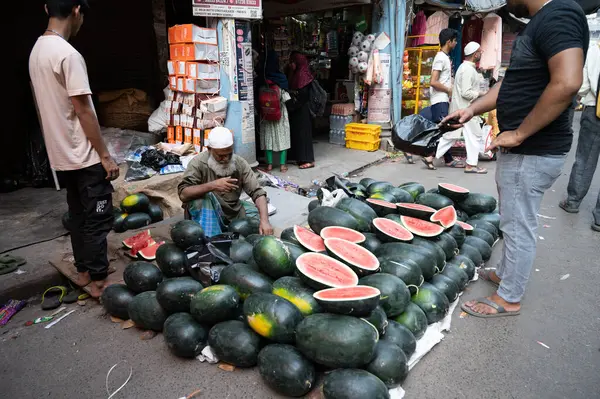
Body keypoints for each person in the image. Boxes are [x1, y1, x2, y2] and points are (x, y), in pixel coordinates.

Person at [443, 0, 588, 318]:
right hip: (523, 151)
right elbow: (511, 86)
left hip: (534, 150)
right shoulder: (535, 23)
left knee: (518, 225)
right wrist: (471, 109)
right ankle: (505, 274)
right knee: (511, 221)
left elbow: (567, 82)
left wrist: (521, 133)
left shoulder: (560, 14)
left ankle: (509, 298)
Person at [29, 0, 119, 298]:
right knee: (98, 218)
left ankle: (83, 272)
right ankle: (98, 281)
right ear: (77, 10)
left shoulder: (37, 51)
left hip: (62, 155)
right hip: (84, 154)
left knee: (79, 216)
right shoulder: (68, 55)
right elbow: (84, 110)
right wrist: (105, 156)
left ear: (46, 9)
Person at [178, 127, 274, 237]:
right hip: (208, 209)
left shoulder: (239, 163)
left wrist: (265, 221)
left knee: (258, 215)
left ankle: (227, 227)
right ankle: (212, 239)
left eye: (229, 153)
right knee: (201, 201)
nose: (226, 159)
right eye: (221, 156)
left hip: (232, 210)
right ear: (209, 149)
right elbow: (183, 194)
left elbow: (257, 192)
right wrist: (213, 186)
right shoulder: (197, 163)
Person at [559, 40, 600, 231]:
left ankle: (573, 201)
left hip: (594, 111)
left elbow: (582, 87)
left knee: (585, 159)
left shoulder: (595, 49)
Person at [435, 42, 488, 174]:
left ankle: (429, 154)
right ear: (475, 54)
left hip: (462, 108)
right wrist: (482, 94)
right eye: (480, 52)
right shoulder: (468, 69)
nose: (481, 54)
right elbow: (466, 92)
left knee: (450, 135)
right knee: (474, 136)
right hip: (466, 109)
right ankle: (471, 165)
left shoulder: (465, 68)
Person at [422, 28, 461, 170]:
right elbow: (433, 81)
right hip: (440, 99)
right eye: (455, 41)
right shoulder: (440, 57)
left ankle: (447, 159)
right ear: (448, 41)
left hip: (441, 99)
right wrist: (449, 90)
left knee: (439, 129)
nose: (456, 43)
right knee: (443, 130)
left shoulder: (444, 57)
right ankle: (429, 155)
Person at [259, 50, 291, 173]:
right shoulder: (280, 79)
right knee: (283, 138)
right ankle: (282, 165)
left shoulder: (262, 79)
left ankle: (269, 165)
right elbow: (286, 98)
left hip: (266, 114)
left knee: (268, 139)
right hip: (280, 114)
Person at [287, 52, 315, 170]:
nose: (291, 64)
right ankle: (299, 157)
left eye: (292, 62)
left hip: (302, 109)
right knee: (298, 134)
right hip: (298, 109)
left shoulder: (303, 76)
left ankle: (308, 160)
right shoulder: (297, 74)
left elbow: (303, 95)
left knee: (303, 135)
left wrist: (293, 106)